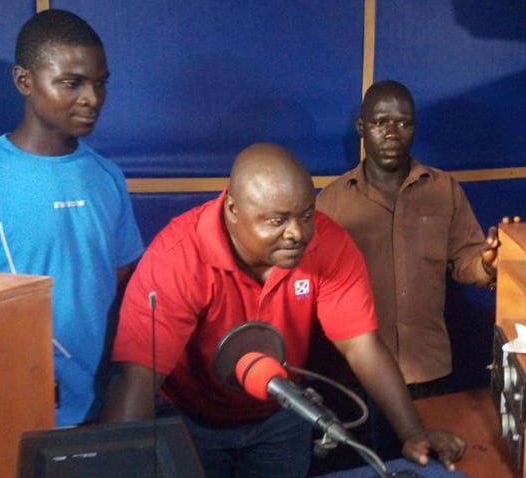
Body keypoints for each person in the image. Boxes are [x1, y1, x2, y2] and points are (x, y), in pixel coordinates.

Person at [102, 143, 466, 478]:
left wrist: (413, 433)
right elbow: (139, 378)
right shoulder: (177, 259)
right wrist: (111, 466)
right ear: (232, 210)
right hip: (191, 420)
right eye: (276, 221)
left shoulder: (328, 243)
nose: (297, 234)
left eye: (305, 215)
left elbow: (361, 346)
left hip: (282, 417)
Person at [0, 9, 145, 427]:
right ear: (25, 81)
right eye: (72, 83)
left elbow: (120, 280)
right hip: (2, 410)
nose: (92, 98)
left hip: (93, 413)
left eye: (100, 83)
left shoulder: (108, 177)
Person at [313, 80, 499, 464]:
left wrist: (487, 263)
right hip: (356, 379)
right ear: (362, 128)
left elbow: (465, 260)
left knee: (426, 467)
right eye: (381, 122)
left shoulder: (444, 190)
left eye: (404, 122)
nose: (392, 132)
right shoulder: (331, 203)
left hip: (429, 371)